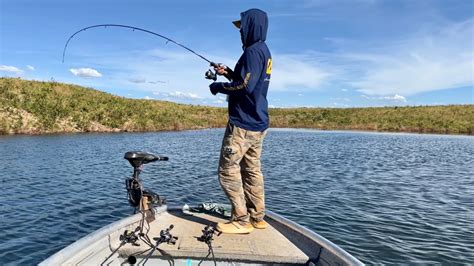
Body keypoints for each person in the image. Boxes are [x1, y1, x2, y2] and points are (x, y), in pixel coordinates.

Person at [209, 8, 272, 234]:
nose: (240, 32)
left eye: (242, 27)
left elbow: (245, 87)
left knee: (227, 170)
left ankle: (241, 220)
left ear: (251, 26)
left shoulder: (253, 52)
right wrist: (227, 73)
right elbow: (247, 81)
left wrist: (218, 86)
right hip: (258, 122)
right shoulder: (263, 51)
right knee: (251, 169)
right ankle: (257, 217)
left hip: (243, 124)